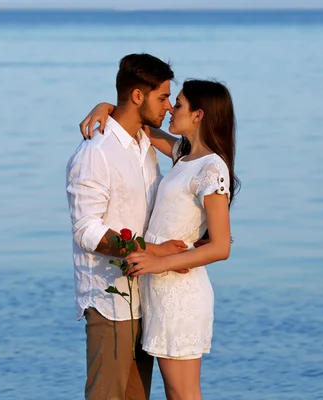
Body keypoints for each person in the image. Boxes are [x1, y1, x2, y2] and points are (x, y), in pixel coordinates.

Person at [79, 79, 239, 400]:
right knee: (174, 393)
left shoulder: (212, 169)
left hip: (180, 293)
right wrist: (104, 107)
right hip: (159, 291)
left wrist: (159, 260)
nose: (169, 109)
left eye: (177, 104)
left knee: (183, 394)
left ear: (198, 116)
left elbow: (221, 246)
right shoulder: (185, 155)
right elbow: (140, 125)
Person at [66, 53, 188, 400]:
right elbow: (86, 230)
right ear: (138, 95)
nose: (168, 107)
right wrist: (151, 252)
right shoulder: (95, 152)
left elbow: (197, 153)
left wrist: (108, 105)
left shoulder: (144, 142)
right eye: (163, 97)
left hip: (145, 296)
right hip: (110, 300)